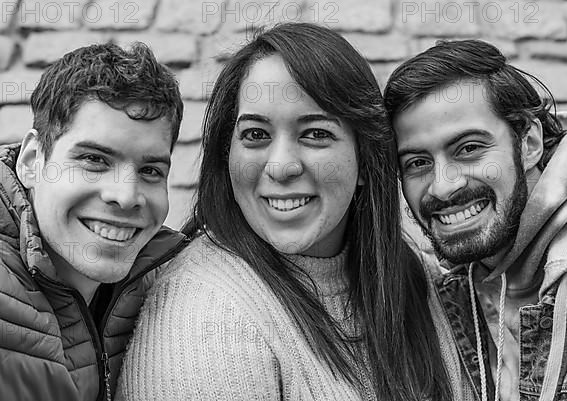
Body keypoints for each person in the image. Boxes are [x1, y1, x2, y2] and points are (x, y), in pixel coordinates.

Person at [118, 23, 451, 401]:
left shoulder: (415, 276)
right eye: (256, 135)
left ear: (365, 158)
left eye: (315, 133)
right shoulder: (207, 316)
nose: (280, 167)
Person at [384, 39, 567, 401]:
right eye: (417, 162)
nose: (443, 186)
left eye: (468, 148)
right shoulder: (448, 295)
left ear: (528, 143)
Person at [0, 42, 187, 401]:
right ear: (31, 160)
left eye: (150, 170)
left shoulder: (170, 288)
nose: (126, 195)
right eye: (94, 160)